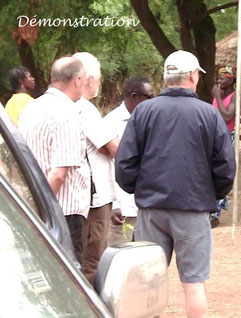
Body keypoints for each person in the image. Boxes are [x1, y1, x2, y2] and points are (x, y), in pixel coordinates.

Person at [115, 50, 236, 318]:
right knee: (193, 285)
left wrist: (142, 190)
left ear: (166, 77)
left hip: (151, 210)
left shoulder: (143, 111)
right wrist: (209, 195)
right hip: (193, 210)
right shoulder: (209, 113)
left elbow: (124, 164)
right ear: (193, 76)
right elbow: (226, 168)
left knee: (146, 284)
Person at [19, 57, 90, 262]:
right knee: (69, 276)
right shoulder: (66, 114)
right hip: (61, 213)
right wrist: (44, 208)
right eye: (84, 79)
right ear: (76, 80)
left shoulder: (32, 108)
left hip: (34, 204)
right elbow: (58, 174)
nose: (85, 84)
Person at [73, 52, 120, 284]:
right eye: (99, 77)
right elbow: (112, 147)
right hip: (95, 198)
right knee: (93, 259)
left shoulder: (64, 106)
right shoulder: (85, 109)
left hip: (76, 195)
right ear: (89, 78)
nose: (100, 82)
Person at [105, 77, 153, 246]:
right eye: (149, 97)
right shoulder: (111, 123)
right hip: (122, 208)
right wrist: (114, 203)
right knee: (119, 256)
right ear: (135, 96)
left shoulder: (150, 120)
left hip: (146, 206)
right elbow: (107, 167)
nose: (152, 101)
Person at [210, 66, 239, 227]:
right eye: (218, 77)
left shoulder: (236, 96)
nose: (219, 80)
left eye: (223, 77)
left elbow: (228, 116)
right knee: (209, 172)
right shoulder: (217, 95)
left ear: (231, 79)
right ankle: (212, 209)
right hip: (213, 136)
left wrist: (218, 98)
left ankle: (216, 213)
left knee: (222, 172)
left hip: (227, 136)